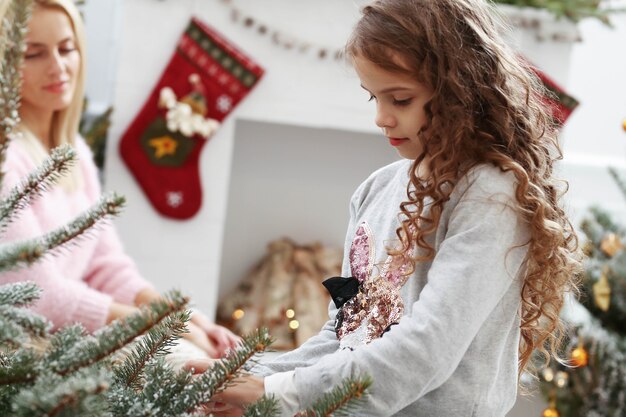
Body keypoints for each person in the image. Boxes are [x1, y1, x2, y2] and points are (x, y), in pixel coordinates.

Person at [186, 0, 581, 415]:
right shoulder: (376, 189)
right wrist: (255, 380)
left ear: (460, 92)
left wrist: (279, 392)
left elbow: (429, 348)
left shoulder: (490, 195)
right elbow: (344, 336)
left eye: (400, 100)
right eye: (372, 97)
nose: (380, 118)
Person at [0, 0, 238, 359]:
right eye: (34, 54)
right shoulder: (7, 159)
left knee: (209, 345)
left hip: (74, 325)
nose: (59, 67)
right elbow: (40, 295)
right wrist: (160, 324)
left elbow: (106, 264)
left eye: (67, 49)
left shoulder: (74, 151)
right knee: (192, 364)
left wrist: (182, 317)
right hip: (31, 345)